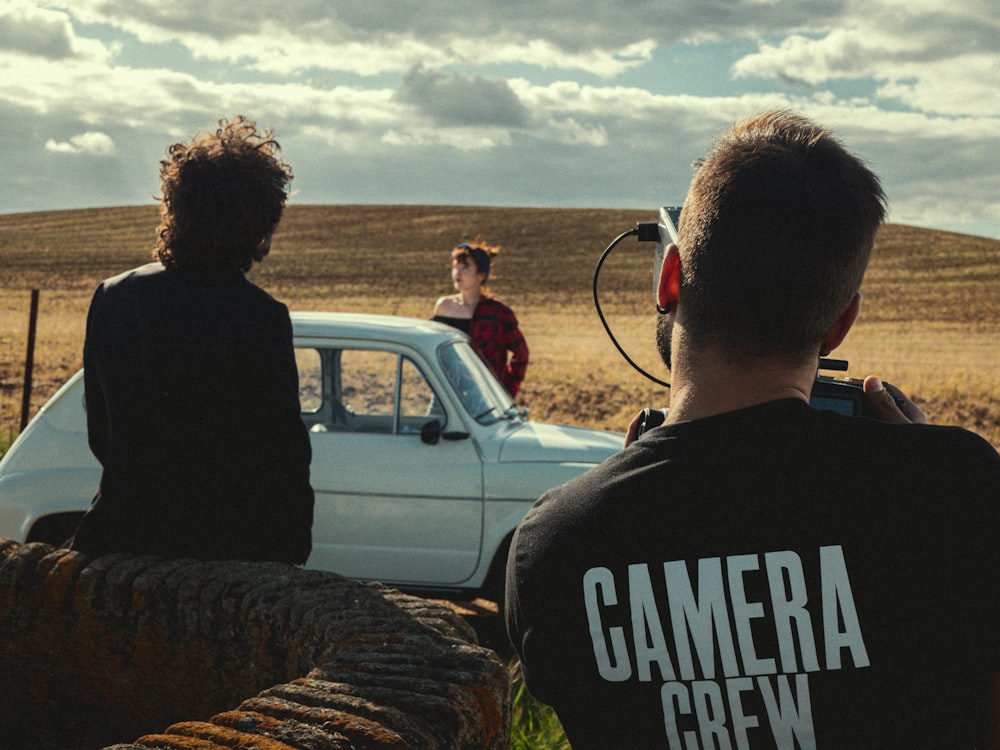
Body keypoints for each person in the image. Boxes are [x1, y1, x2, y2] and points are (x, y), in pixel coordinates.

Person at [505, 111, 1000, 748]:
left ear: (670, 277)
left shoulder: (555, 543)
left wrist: (616, 506)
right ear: (839, 323)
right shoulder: (952, 489)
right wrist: (935, 476)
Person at [70, 115, 314, 565]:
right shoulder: (263, 317)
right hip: (227, 551)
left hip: (124, 537)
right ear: (261, 221)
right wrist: (289, 553)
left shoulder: (116, 297)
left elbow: (100, 430)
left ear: (175, 207)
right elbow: (283, 452)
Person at [432, 241, 529, 397]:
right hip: (446, 394)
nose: (458, 272)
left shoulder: (498, 313)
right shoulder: (444, 306)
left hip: (484, 394)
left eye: (465, 268)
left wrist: (507, 392)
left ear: (481, 275)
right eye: (455, 267)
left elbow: (521, 353)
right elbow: (430, 347)